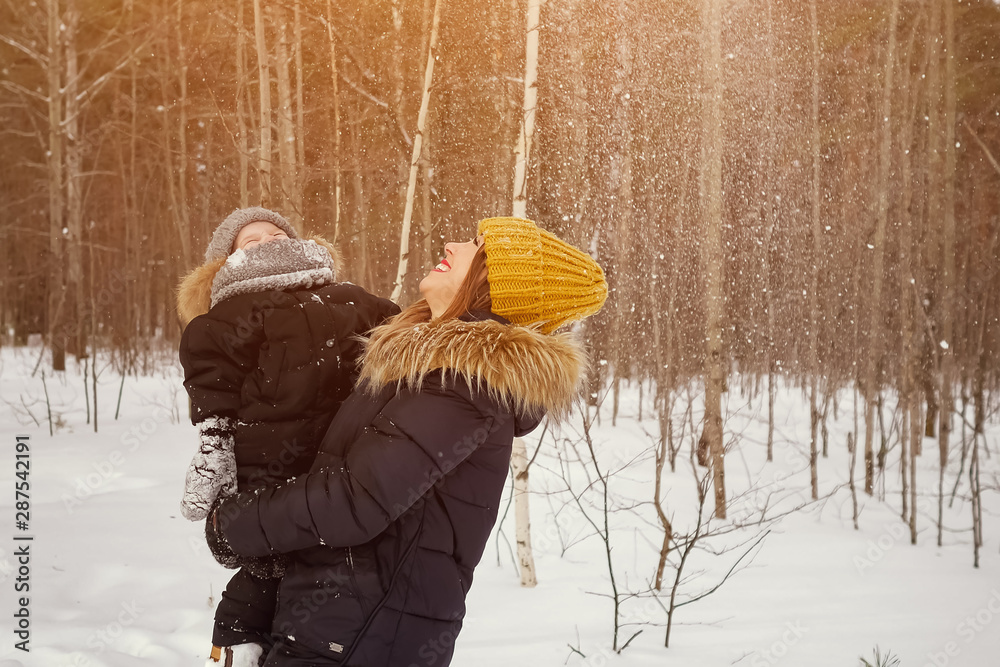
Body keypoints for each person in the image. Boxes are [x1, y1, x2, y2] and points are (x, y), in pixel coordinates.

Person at [206, 216, 608, 666]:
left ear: (496, 284)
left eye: (477, 244)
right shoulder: (415, 360)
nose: (454, 242)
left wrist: (232, 525)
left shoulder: (465, 381)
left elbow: (355, 499)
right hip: (336, 626)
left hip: (365, 637)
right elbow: (317, 465)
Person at [176, 206, 399, 667]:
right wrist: (214, 440)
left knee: (320, 581)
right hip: (268, 471)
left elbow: (400, 330)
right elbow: (211, 375)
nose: (268, 241)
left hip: (343, 463)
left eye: (275, 233)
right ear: (227, 262)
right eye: (250, 241)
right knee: (261, 577)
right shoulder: (229, 312)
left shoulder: (349, 296)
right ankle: (236, 649)